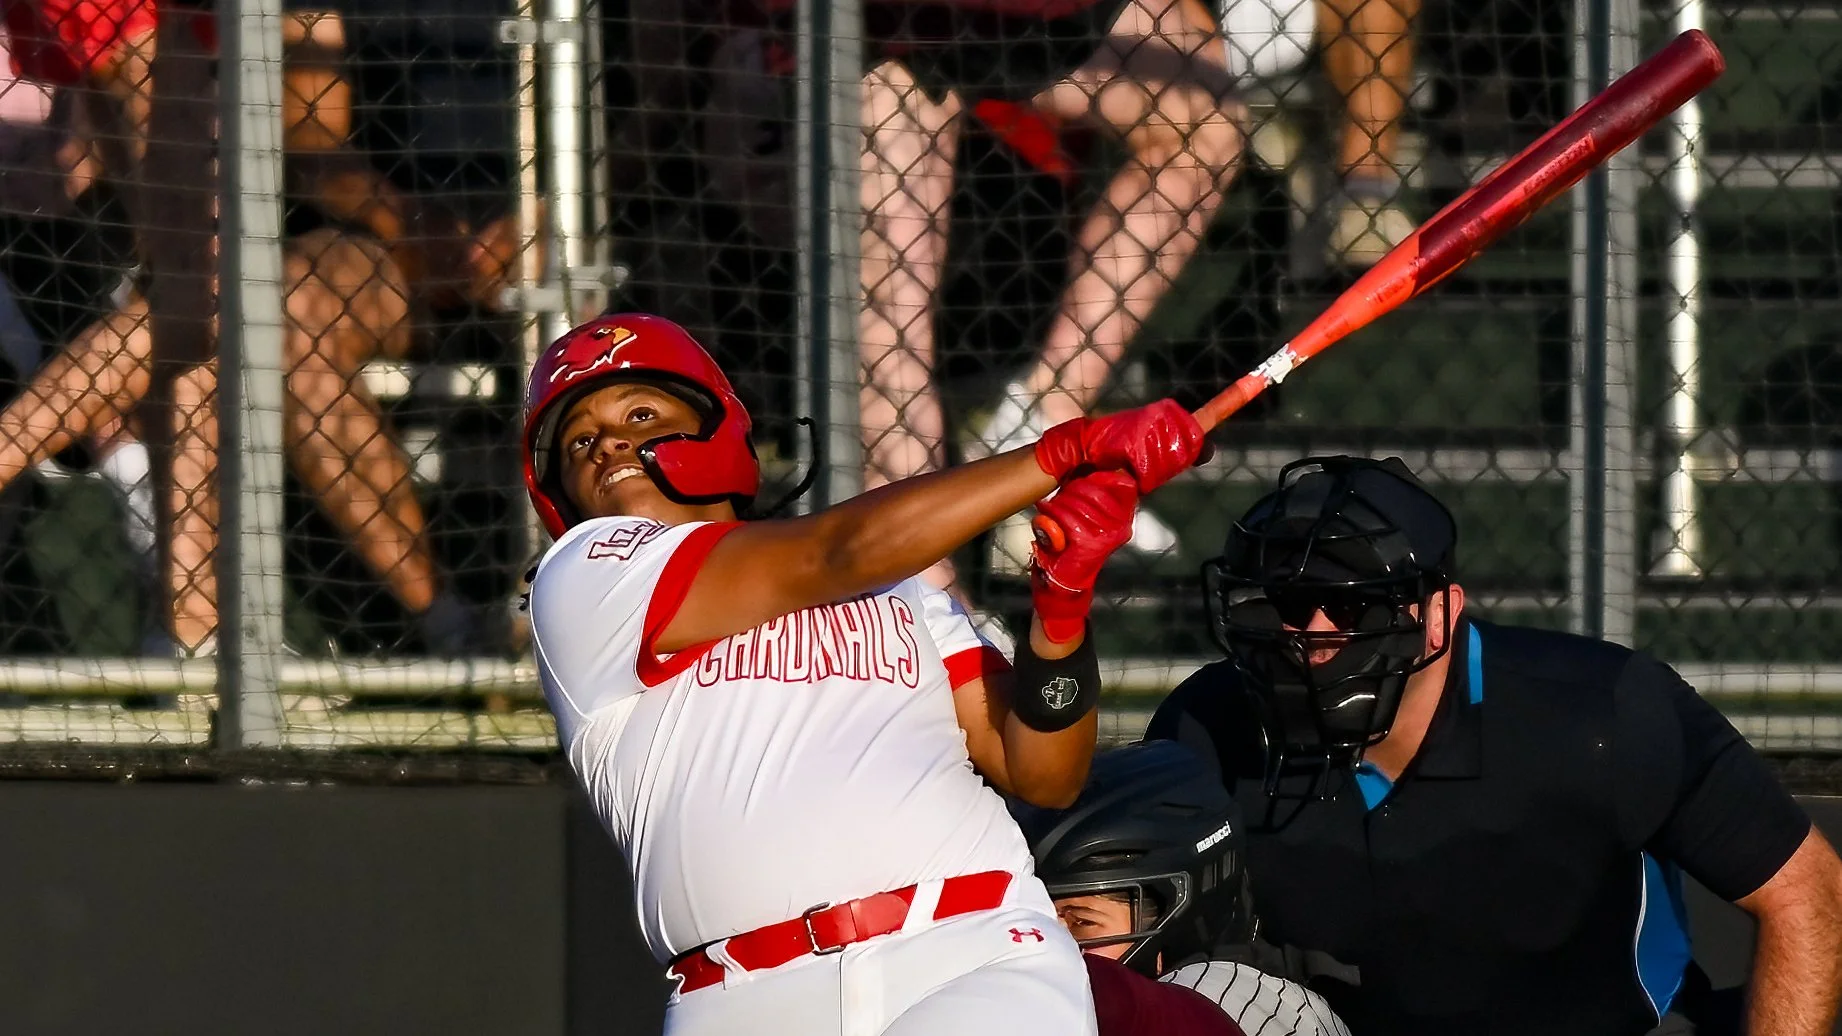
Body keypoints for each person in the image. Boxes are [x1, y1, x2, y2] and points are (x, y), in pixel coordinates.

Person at [521, 312, 1206, 1034]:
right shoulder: (582, 580)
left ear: (716, 431)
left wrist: (1061, 609)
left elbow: (1041, 770)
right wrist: (1061, 454)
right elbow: (834, 552)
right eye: (581, 442)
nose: (610, 444)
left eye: (642, 413)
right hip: (736, 998)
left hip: (972, 955)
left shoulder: (902, 589)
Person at [1144, 455, 1842, 1035]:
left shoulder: (1599, 713)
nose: (1314, 634)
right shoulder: (1206, 728)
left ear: (1441, 612)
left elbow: (1806, 892)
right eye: (1283, 604)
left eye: (1356, 606)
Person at [0, 6, 516, 655]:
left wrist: (521, 236)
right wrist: (414, 226)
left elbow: (626, 152)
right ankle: (448, 624)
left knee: (209, 292)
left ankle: (190, 633)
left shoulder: (565, 25)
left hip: (538, 235)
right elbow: (313, 142)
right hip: (374, 244)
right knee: (271, 305)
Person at [856, 0, 1247, 576]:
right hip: (896, 34)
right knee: (891, 320)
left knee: (1208, 118)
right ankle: (927, 603)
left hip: (1026, 15)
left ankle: (1040, 418)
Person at [1013, 739, 1352, 1036]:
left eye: (1082, 923)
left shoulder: (1228, 1002)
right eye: (1033, 918)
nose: (1045, 942)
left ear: (1177, 918)